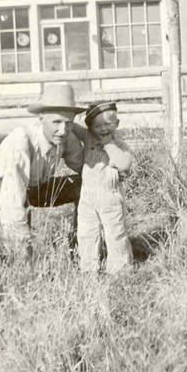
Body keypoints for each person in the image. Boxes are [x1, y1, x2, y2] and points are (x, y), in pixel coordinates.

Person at [0, 82, 85, 260]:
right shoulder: (21, 140)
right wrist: (24, 253)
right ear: (40, 119)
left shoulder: (66, 137)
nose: (63, 130)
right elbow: (12, 200)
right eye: (56, 122)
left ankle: (80, 248)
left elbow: (87, 169)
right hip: (1, 188)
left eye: (69, 123)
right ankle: (16, 262)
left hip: (37, 187)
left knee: (85, 185)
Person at [73, 101, 134, 274]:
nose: (103, 129)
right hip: (87, 196)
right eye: (97, 125)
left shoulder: (120, 145)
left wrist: (109, 145)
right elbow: (74, 128)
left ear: (117, 124)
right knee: (86, 233)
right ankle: (88, 266)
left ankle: (120, 268)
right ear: (90, 128)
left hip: (110, 196)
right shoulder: (87, 137)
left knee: (115, 233)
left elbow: (124, 164)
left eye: (108, 123)